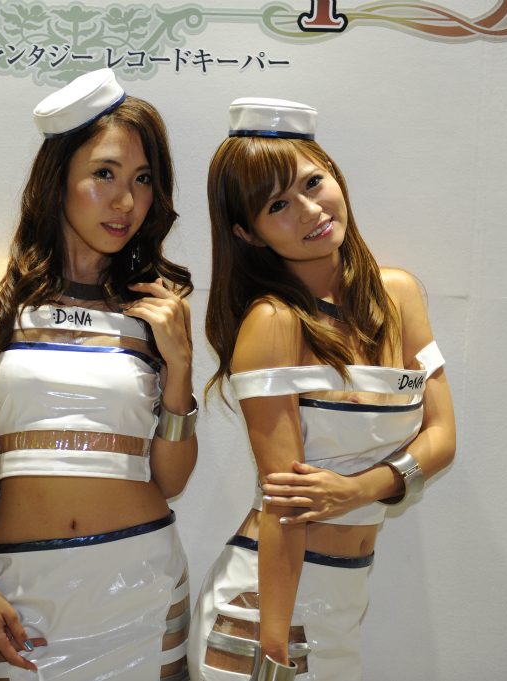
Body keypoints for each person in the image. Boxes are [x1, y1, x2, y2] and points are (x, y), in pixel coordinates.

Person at [188, 99, 456, 681]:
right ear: (247, 233)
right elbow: (287, 505)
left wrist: (357, 490)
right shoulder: (273, 322)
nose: (310, 210)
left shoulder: (398, 295)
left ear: (334, 173)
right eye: (277, 206)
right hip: (265, 610)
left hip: (344, 601)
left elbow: (443, 438)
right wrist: (273, 650)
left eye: (313, 183)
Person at [0, 69, 196, 681]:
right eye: (105, 174)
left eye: (143, 180)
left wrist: (180, 367)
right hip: (19, 587)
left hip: (140, 585)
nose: (126, 202)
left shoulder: (157, 306)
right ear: (57, 177)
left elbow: (170, 479)